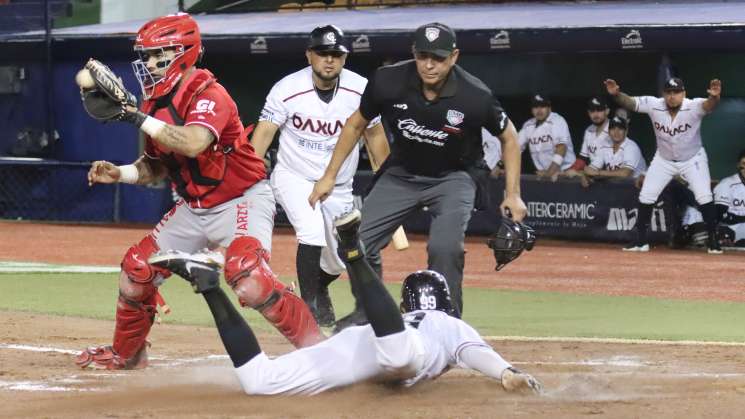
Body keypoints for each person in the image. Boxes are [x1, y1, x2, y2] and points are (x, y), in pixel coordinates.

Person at [75, 13, 323, 370]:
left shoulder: (210, 94)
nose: (147, 63)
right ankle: (127, 355)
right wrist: (123, 173)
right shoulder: (152, 106)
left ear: (181, 52)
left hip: (242, 199)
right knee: (136, 272)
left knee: (247, 277)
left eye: (155, 55)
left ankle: (318, 349)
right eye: (145, 55)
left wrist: (136, 117)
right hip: (194, 208)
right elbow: (156, 164)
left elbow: (193, 143)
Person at [148, 209, 542, 396]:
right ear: (446, 303)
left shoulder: (414, 318)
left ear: (406, 304)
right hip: (397, 349)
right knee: (401, 354)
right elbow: (477, 355)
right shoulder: (449, 324)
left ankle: (209, 285)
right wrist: (508, 373)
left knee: (258, 382)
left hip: (359, 344)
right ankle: (353, 252)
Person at [308, 22, 527, 328]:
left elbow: (510, 137)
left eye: (437, 57)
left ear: (454, 57)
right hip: (403, 172)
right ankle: (371, 311)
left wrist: (513, 193)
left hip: (454, 176)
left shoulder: (474, 95)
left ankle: (447, 324)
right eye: (423, 55)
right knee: (356, 242)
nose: (429, 64)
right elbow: (356, 124)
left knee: (445, 249)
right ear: (413, 53)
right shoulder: (388, 80)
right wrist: (329, 175)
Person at [249, 25, 388, 327]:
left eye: (336, 54)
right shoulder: (287, 88)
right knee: (310, 231)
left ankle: (318, 285)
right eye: (323, 53)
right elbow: (263, 135)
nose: (329, 60)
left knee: (341, 257)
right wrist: (245, 179)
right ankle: (308, 311)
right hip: (294, 176)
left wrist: (389, 182)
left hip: (338, 184)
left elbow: (377, 140)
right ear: (309, 55)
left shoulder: (362, 89)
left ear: (345, 58)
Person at [605, 76, 722, 254]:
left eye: (676, 92)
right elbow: (630, 103)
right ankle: (640, 241)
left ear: (684, 93)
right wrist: (616, 94)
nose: (672, 96)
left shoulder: (693, 105)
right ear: (663, 94)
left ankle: (714, 241)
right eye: (669, 92)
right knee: (646, 195)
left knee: (704, 196)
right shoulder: (654, 104)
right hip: (664, 159)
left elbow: (709, 106)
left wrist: (714, 97)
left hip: (692, 158)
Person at [518, 94, 577, 181]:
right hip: (545, 174)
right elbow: (514, 148)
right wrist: (502, 166)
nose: (539, 110)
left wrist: (550, 172)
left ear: (549, 108)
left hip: (567, 174)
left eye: (542, 106)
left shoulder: (557, 121)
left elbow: (561, 148)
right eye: (535, 107)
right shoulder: (528, 125)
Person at [583, 116, 646, 184]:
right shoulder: (605, 145)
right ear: (609, 132)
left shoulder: (631, 147)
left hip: (636, 186)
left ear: (626, 131)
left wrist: (598, 173)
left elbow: (625, 173)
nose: (616, 132)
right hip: (617, 187)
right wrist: (586, 176)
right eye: (613, 129)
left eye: (620, 129)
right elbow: (590, 169)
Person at [713, 149, 745, 247]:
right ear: (738, 165)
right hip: (728, 228)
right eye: (744, 163)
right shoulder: (727, 184)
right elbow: (720, 215)